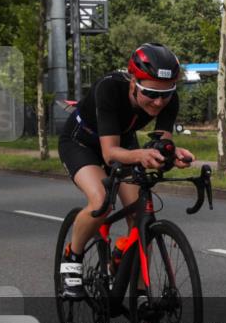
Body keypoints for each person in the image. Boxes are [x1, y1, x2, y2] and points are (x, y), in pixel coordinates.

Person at [58, 42, 195, 299]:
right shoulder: (109, 88)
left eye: (166, 94)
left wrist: (171, 153)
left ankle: (140, 294)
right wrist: (142, 155)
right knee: (101, 201)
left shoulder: (167, 98)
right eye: (150, 93)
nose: (158, 102)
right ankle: (72, 259)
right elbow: (110, 155)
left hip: (124, 141)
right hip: (82, 143)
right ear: (133, 82)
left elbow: (160, 142)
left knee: (143, 212)